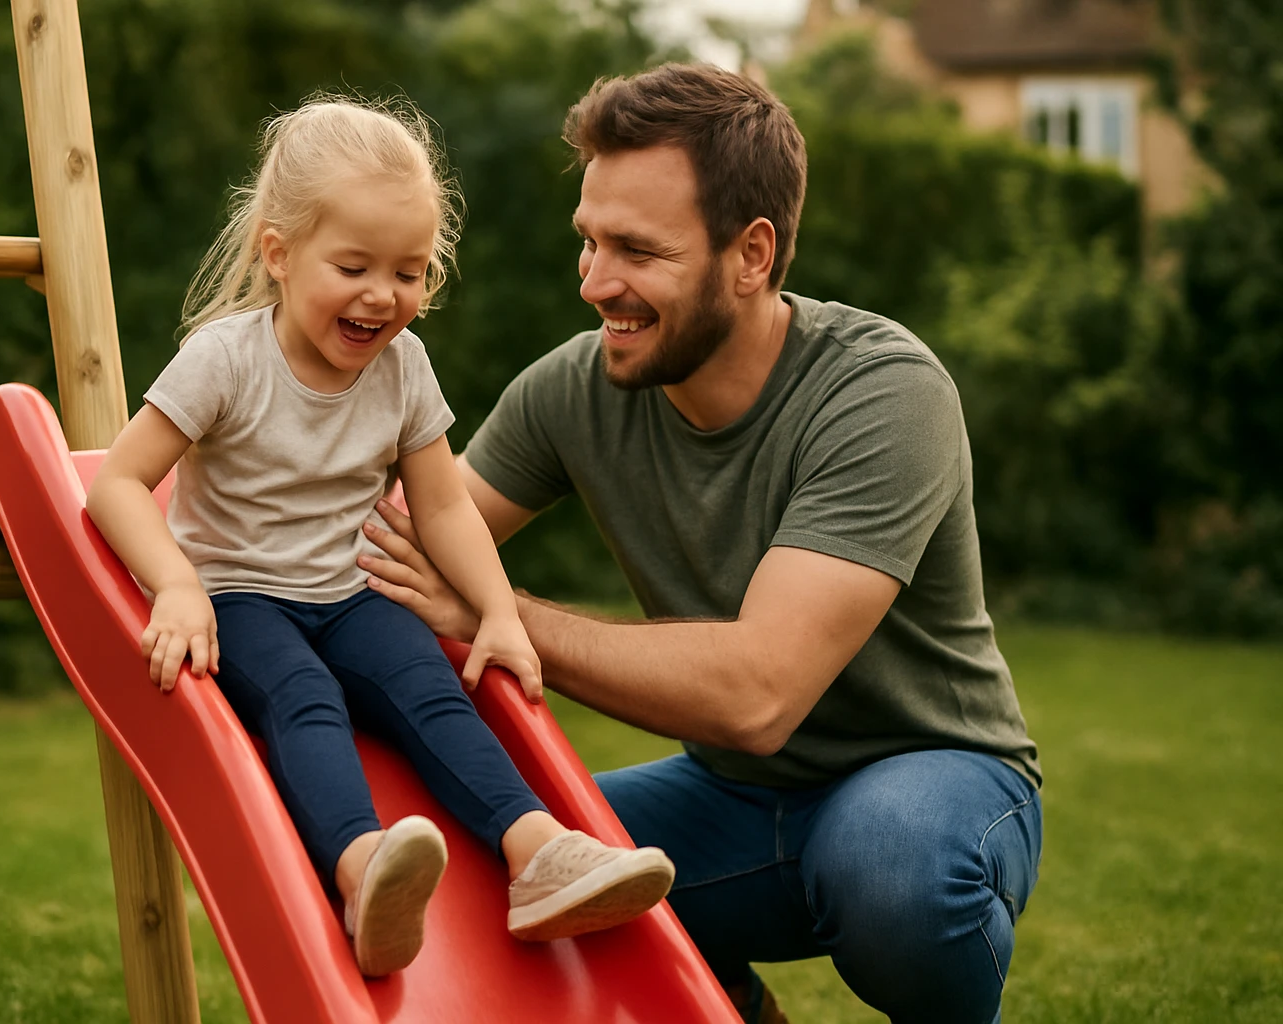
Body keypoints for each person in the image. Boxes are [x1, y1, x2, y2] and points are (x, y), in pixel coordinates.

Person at [359, 64, 1043, 1023]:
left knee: (891, 867)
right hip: (732, 797)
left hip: (933, 781)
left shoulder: (884, 393)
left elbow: (758, 694)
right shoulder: (570, 391)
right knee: (509, 866)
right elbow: (394, 538)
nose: (596, 282)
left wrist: (497, 614)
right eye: (590, 240)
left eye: (639, 250)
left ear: (751, 254)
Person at [84, 96, 674, 979]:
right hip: (239, 598)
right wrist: (174, 585)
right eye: (353, 266)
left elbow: (443, 508)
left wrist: (497, 611)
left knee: (432, 691)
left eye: (408, 271)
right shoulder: (226, 360)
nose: (382, 295)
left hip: (351, 593)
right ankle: (365, 876)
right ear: (279, 254)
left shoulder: (402, 367)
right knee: (303, 698)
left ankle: (539, 853)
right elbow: (117, 483)